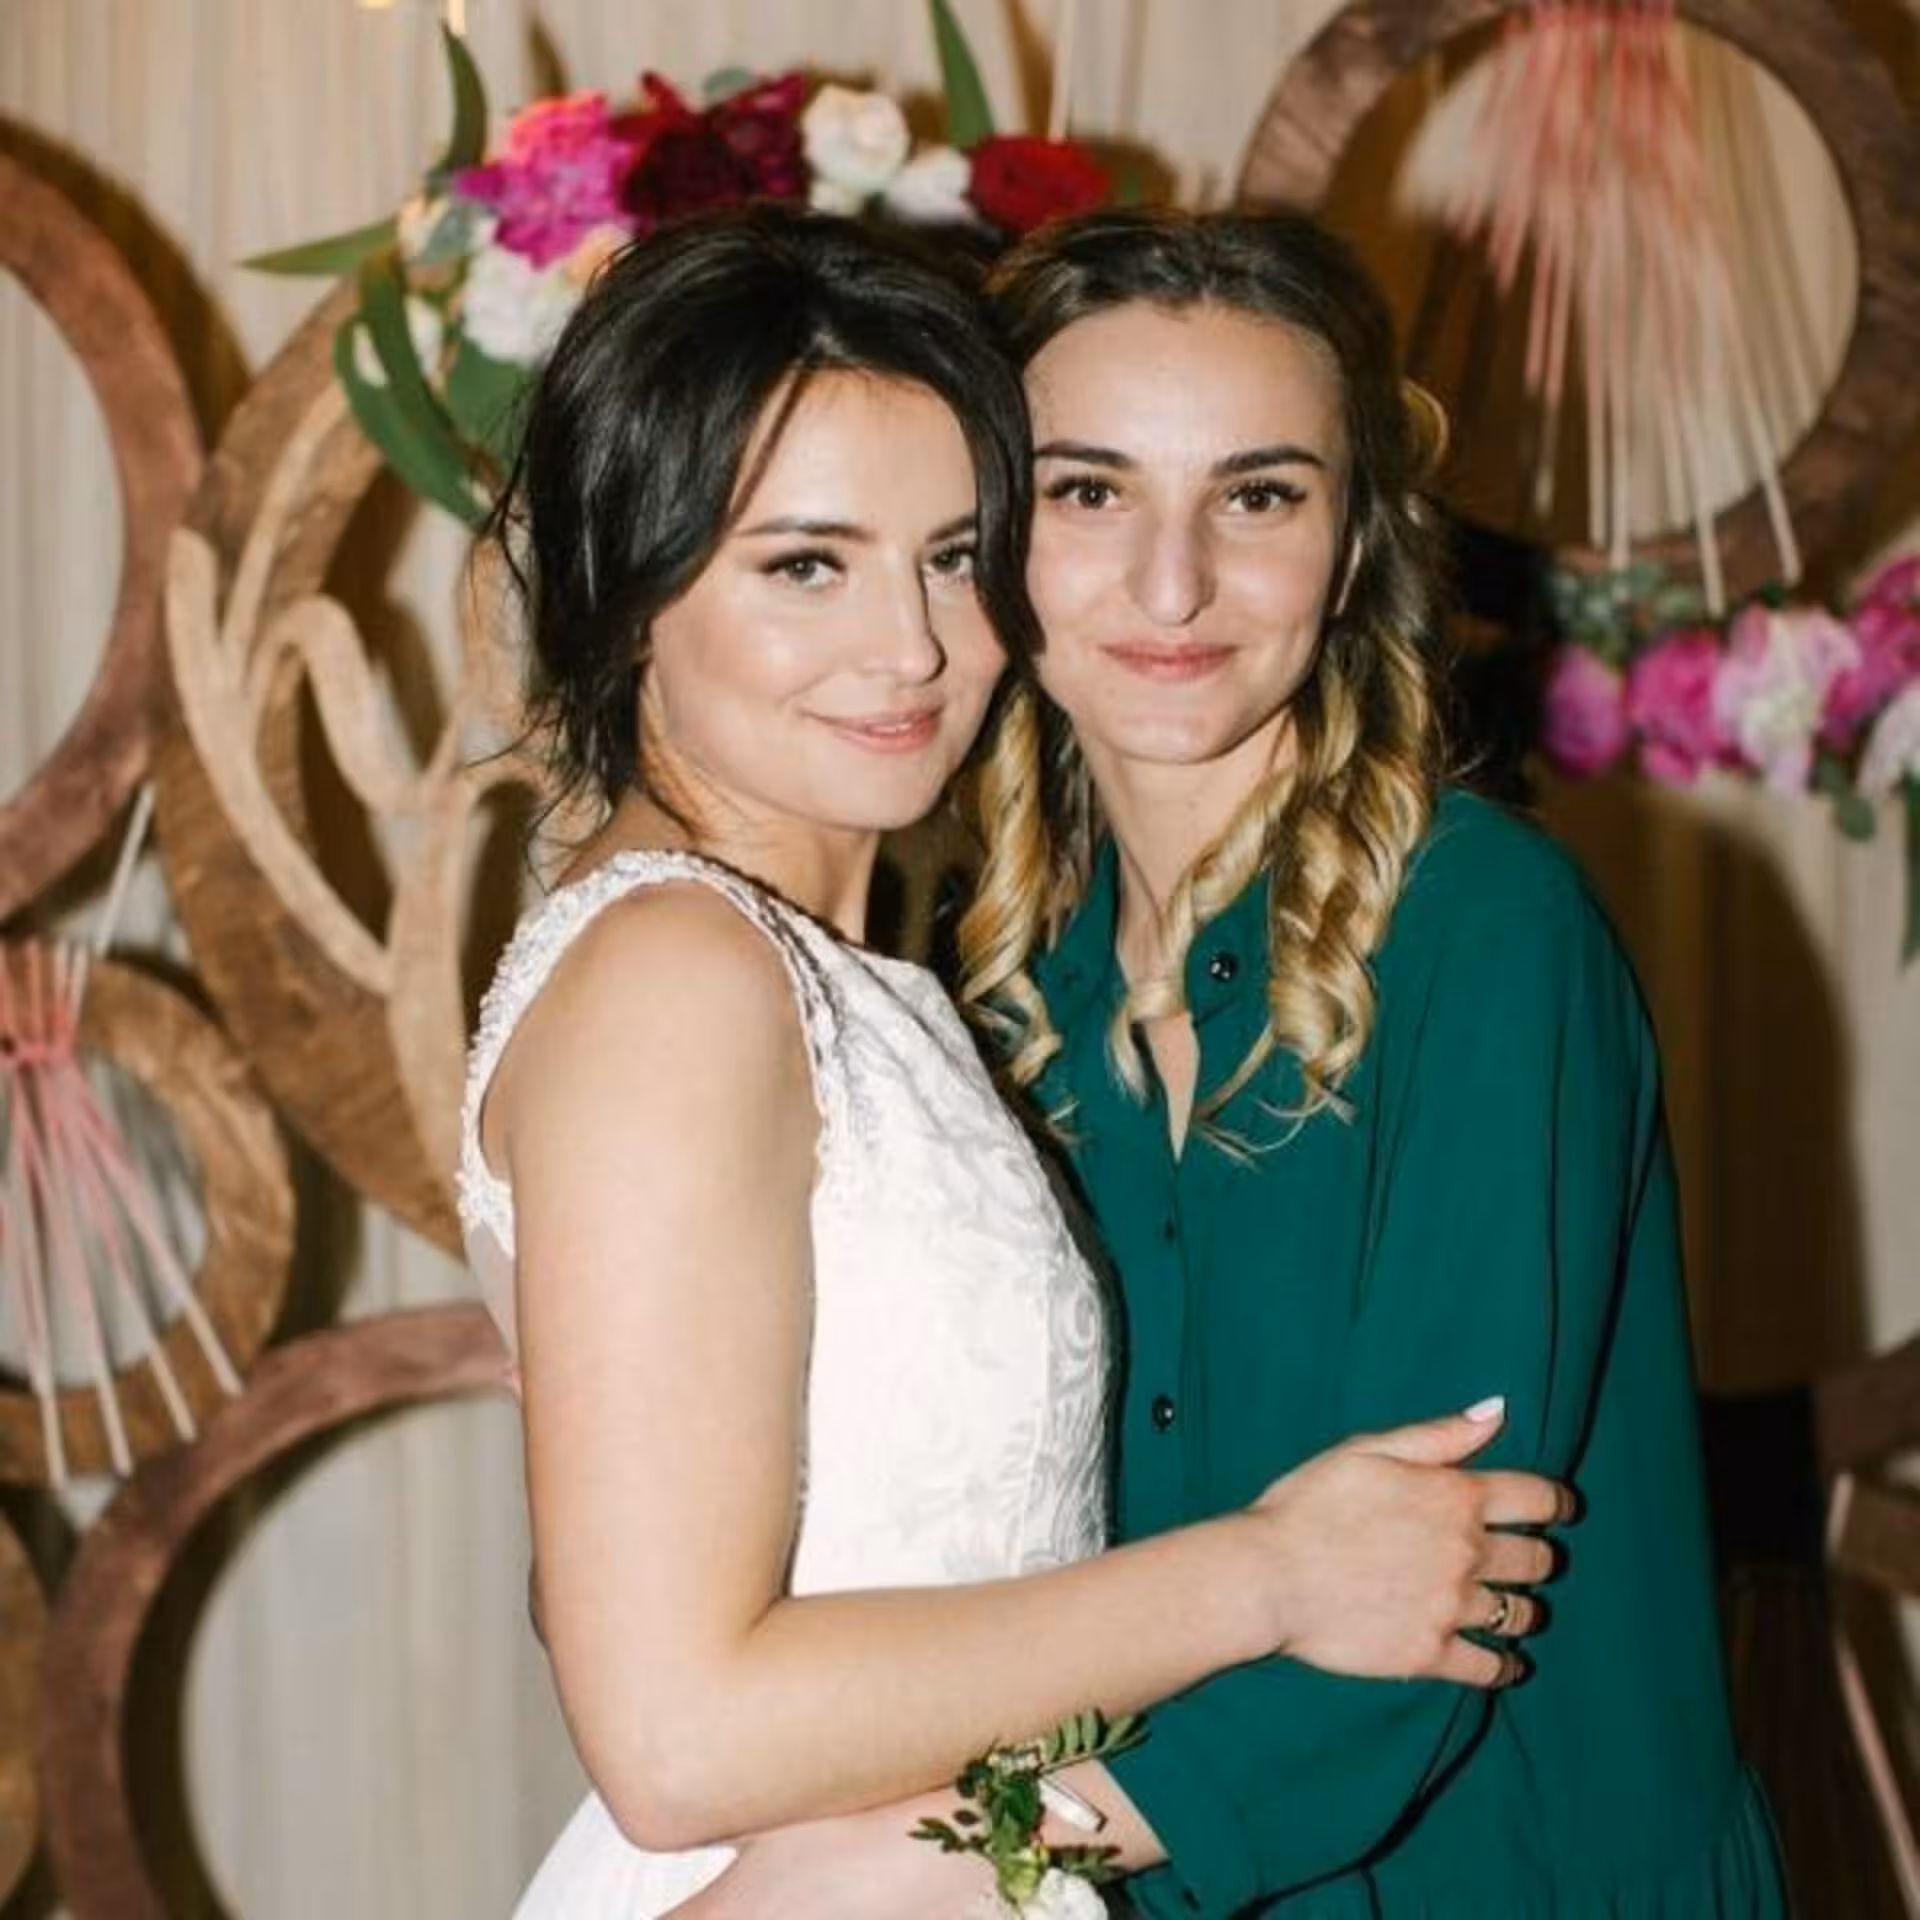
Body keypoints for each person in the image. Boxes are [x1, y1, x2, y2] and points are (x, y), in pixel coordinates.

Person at [458, 205, 1564, 1918]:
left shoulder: (872, 969)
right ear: (633, 579)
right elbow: (677, 1735)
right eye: (805, 564)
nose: (911, 647)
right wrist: (1268, 1576)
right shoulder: (680, 974)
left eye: (955, 554)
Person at [683, 208, 1789, 1916]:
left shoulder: (1489, 932)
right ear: (994, 535)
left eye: (1258, 496)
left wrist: (926, 1873)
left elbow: (1426, 1598)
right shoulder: (990, 983)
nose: (1173, 584)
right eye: (1090, 492)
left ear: (1351, 548)